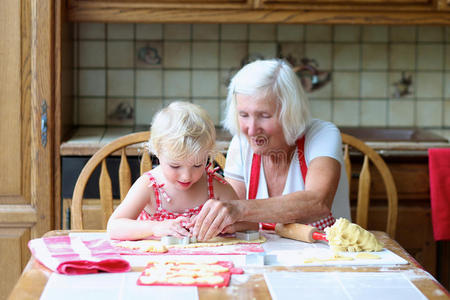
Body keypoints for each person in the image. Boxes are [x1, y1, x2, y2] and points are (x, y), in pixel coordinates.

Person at [190, 59, 351, 241]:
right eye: (243, 115)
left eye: (264, 116)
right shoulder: (241, 144)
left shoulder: (322, 135)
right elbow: (234, 216)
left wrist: (240, 209)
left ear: (290, 112)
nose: (251, 129)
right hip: (263, 254)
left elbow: (317, 203)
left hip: (326, 258)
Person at [107, 101, 254, 241]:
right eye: (175, 166)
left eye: (197, 165)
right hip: (157, 263)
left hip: (203, 263)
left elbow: (252, 224)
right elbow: (114, 227)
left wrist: (224, 225)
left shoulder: (215, 186)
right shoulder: (149, 186)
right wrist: (155, 227)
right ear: (157, 152)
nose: (186, 176)